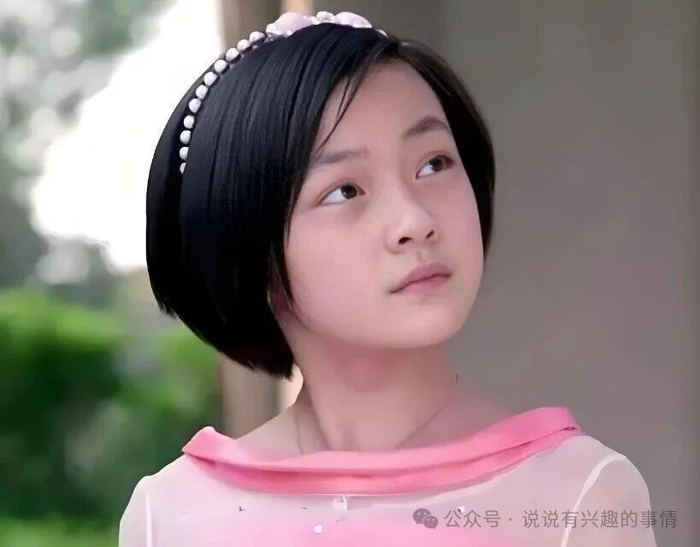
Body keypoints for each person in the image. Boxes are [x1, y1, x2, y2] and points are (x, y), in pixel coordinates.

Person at [120, 10, 658, 546]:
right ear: (247, 247)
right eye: (345, 191)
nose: (415, 221)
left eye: (434, 164)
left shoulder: (579, 499)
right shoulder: (169, 516)